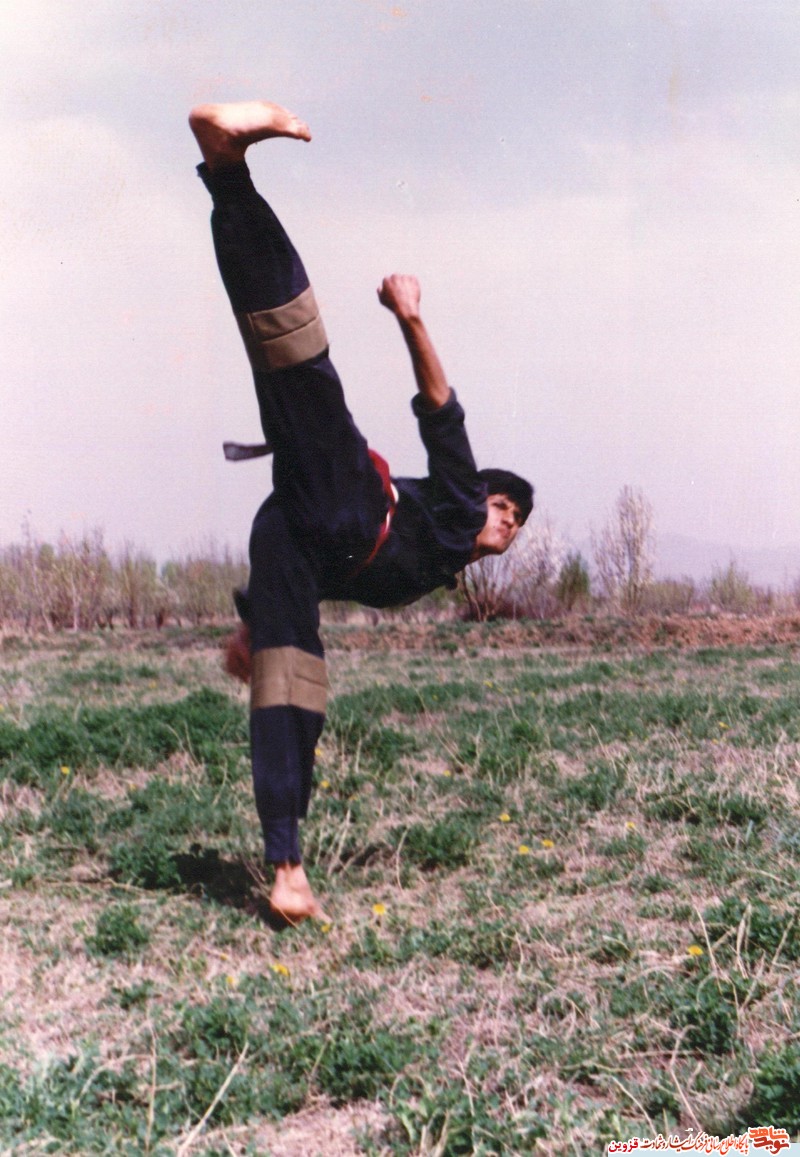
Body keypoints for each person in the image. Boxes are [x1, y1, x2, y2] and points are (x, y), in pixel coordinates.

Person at [189, 100, 533, 924]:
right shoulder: (456, 505)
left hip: (299, 541)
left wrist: (256, 617)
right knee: (296, 363)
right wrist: (412, 318)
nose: (506, 522)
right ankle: (228, 169)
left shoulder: (443, 557)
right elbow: (442, 413)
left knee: (292, 689)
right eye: (504, 505)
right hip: (348, 501)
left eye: (516, 522)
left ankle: (287, 869)